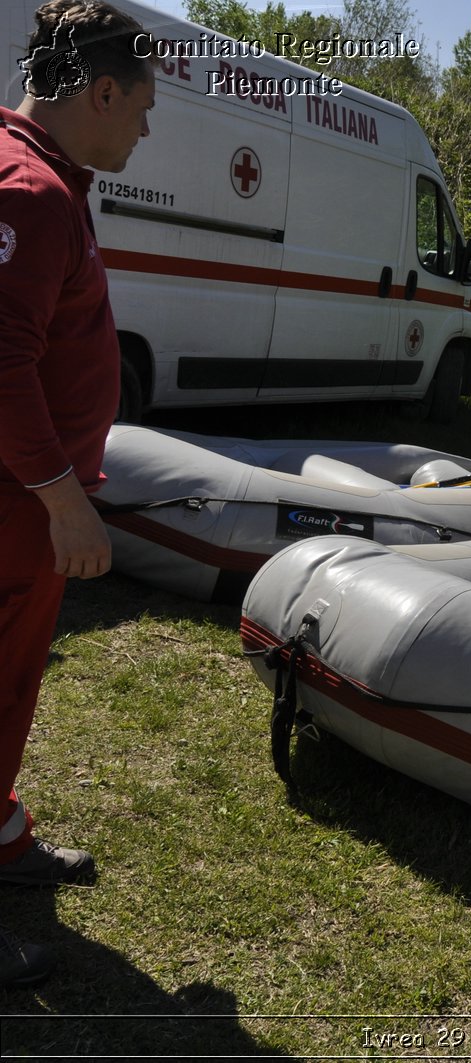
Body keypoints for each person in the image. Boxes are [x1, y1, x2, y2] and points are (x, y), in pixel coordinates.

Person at [0, 0, 155, 987]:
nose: (146, 126)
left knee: (11, 683)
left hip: (23, 515)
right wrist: (64, 499)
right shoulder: (26, 190)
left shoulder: (58, 180)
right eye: (140, 107)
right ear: (100, 92)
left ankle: (1, 828)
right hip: (14, 502)